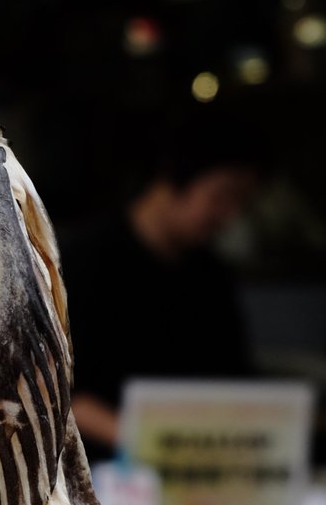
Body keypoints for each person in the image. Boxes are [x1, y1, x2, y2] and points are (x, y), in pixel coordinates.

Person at [60, 107, 264, 461]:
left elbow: (234, 384)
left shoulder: (211, 277)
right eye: (222, 195)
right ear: (175, 177)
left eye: (241, 203)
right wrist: (157, 446)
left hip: (200, 476)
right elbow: (58, 391)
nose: (229, 216)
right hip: (100, 478)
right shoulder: (84, 261)